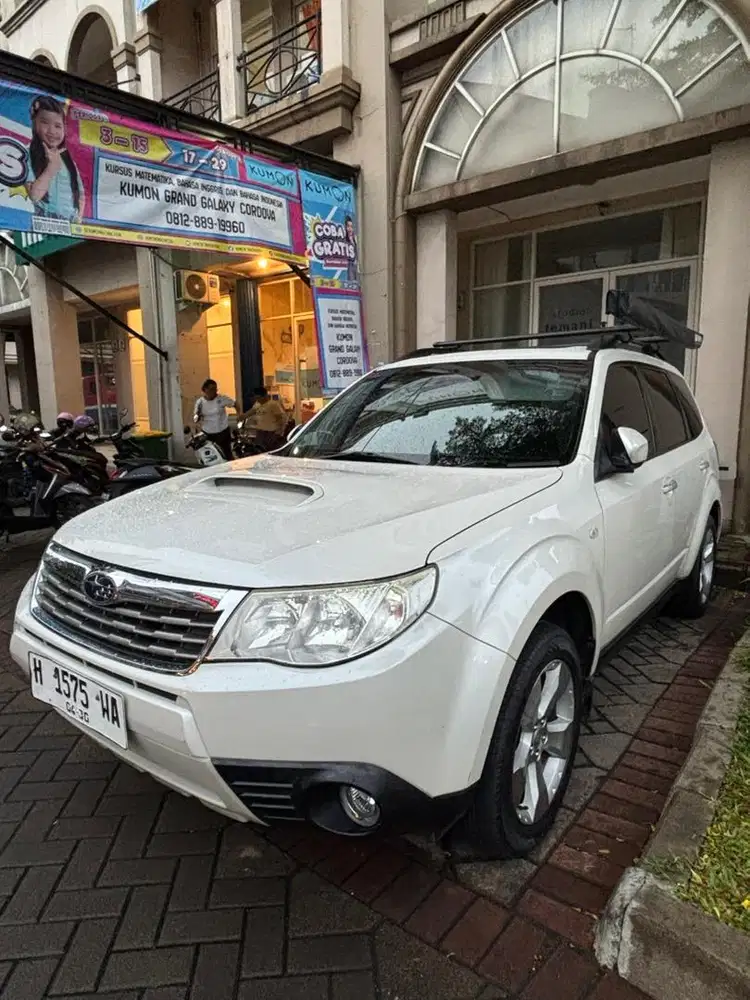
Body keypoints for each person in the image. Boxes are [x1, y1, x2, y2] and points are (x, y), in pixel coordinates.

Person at [26, 96, 83, 222]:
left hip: (70, 225)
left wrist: (78, 221)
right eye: (45, 123)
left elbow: (80, 194)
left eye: (58, 126)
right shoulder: (28, 153)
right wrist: (51, 168)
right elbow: (34, 196)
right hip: (44, 225)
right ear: (35, 123)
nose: (52, 131)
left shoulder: (68, 160)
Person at [194, 379, 235, 460]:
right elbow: (196, 416)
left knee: (227, 455)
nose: (214, 391)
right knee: (212, 456)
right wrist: (197, 416)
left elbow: (235, 404)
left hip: (223, 432)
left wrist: (240, 415)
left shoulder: (221, 398)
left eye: (215, 389)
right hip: (208, 434)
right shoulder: (200, 402)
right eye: (212, 389)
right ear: (205, 390)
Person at [243, 386, 287, 452]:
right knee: (258, 449)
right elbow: (251, 411)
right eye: (256, 398)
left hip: (271, 432)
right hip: (260, 431)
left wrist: (279, 431)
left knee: (269, 450)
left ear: (265, 396)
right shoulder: (257, 404)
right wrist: (242, 416)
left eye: (259, 398)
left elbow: (279, 418)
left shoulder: (273, 404)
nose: (257, 399)